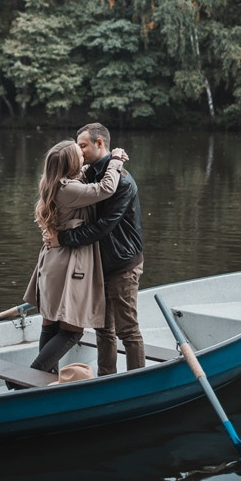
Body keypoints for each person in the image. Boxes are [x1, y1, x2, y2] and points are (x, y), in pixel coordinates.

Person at [22, 139, 128, 376]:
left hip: (51, 262)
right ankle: (28, 378)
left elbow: (84, 173)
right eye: (77, 152)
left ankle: (45, 381)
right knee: (72, 331)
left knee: (50, 325)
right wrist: (116, 161)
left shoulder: (53, 182)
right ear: (70, 163)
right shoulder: (69, 190)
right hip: (68, 265)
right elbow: (105, 189)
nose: (82, 153)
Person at [47, 123, 145, 376]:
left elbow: (102, 227)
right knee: (103, 328)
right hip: (98, 263)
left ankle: (138, 381)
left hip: (122, 263)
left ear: (99, 144)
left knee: (128, 330)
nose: (79, 151)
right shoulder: (88, 173)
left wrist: (63, 238)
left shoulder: (121, 181)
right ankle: (106, 379)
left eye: (82, 146)